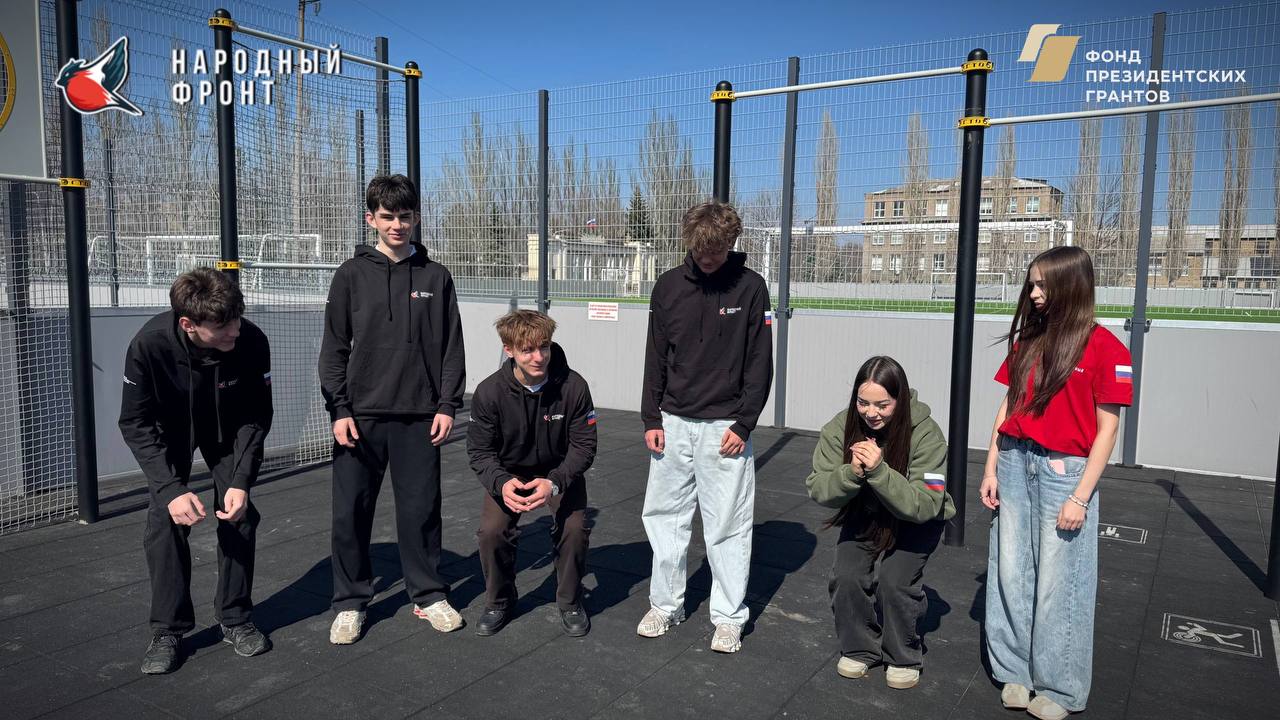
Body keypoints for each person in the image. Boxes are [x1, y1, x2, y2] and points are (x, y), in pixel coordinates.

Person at [980, 246, 1132, 720]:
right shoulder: (1029, 340)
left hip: (1064, 473)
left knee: (1061, 581)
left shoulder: (1107, 348)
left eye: (1043, 284)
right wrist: (990, 467)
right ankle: (1015, 671)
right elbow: (1009, 406)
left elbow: (1108, 430)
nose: (1034, 293)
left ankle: (1060, 687)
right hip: (1014, 462)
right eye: (1032, 284)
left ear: (1072, 285)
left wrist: (1080, 497)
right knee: (1010, 570)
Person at [319, 174, 466, 644]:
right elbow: (334, 348)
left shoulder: (436, 277)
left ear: (417, 217)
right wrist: (339, 408)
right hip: (359, 417)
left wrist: (448, 404)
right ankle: (350, 602)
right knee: (350, 514)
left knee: (421, 511)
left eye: (405, 216)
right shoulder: (350, 275)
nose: (397, 224)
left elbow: (451, 348)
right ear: (371, 219)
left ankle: (428, 595)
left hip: (420, 415)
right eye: (387, 216)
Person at [119, 267, 273, 674]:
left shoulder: (251, 340)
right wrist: (171, 490)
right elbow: (134, 423)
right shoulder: (148, 345)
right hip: (170, 429)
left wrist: (241, 481)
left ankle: (235, 617)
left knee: (240, 514)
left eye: (237, 318)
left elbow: (257, 415)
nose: (235, 330)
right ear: (188, 324)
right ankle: (168, 630)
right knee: (165, 519)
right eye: (223, 326)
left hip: (229, 428)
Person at [636, 200, 773, 653]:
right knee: (664, 519)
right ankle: (665, 606)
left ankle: (729, 618)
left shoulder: (751, 287)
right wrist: (651, 417)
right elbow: (656, 355)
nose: (707, 257)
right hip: (672, 422)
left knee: (728, 525)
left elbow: (760, 361)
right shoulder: (668, 286)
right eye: (700, 250)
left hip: (725, 428)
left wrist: (745, 422)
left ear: (731, 242)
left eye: (716, 249)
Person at [805, 356, 955, 689]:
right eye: (863, 402)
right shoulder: (840, 427)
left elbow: (926, 503)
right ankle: (861, 647)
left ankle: (903, 654)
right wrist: (851, 473)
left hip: (917, 518)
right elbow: (818, 487)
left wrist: (878, 471)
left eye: (882, 405)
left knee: (894, 581)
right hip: (869, 512)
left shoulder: (927, 433)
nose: (871, 413)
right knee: (846, 575)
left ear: (900, 401)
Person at [467, 310, 598, 637]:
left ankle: (569, 601)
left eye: (544, 346)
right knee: (492, 532)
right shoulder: (489, 392)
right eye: (527, 350)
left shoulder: (574, 387)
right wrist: (501, 483)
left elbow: (584, 446)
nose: (538, 357)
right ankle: (499, 601)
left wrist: (554, 482)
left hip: (559, 471)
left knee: (575, 529)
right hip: (509, 472)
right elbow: (480, 452)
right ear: (509, 349)